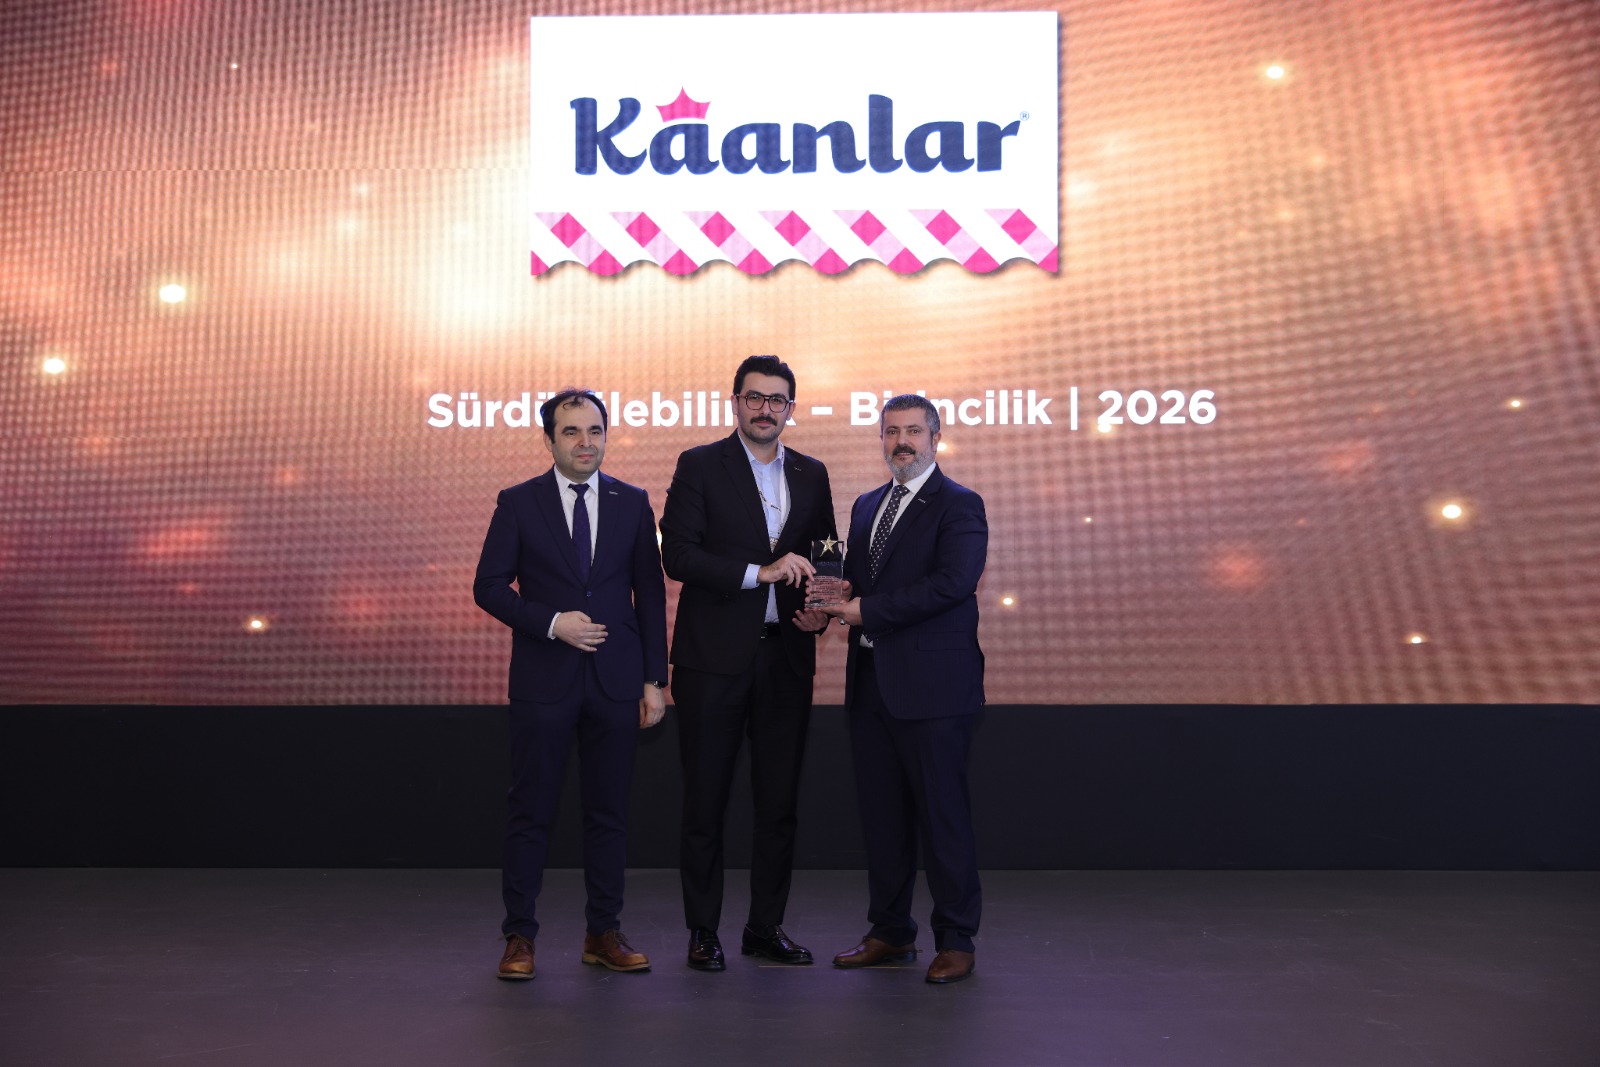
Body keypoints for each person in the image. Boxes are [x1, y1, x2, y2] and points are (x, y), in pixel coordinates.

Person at [473, 388, 669, 980]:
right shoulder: (518, 502)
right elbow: (489, 587)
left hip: (616, 682)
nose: (586, 443)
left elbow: (650, 596)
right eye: (572, 432)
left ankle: (603, 933)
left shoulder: (633, 502)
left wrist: (654, 679)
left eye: (595, 431)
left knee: (608, 814)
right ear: (550, 439)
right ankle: (519, 937)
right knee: (531, 811)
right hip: (544, 680)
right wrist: (552, 622)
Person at [660, 355, 837, 971]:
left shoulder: (812, 473)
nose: (766, 409)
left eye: (777, 400)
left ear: (791, 408)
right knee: (705, 802)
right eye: (755, 398)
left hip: (786, 656)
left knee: (778, 802)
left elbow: (825, 554)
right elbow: (677, 555)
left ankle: (765, 927)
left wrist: (821, 612)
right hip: (712, 661)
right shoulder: (699, 464)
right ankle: (702, 930)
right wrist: (756, 573)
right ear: (735, 402)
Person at [821, 393, 988, 984]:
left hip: (936, 691)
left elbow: (953, 583)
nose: (902, 442)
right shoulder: (868, 504)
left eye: (914, 431)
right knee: (883, 819)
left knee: (943, 817)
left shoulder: (960, 504)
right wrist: (829, 604)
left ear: (935, 438)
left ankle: (957, 939)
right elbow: (856, 584)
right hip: (872, 686)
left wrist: (866, 611)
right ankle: (890, 931)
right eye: (892, 432)